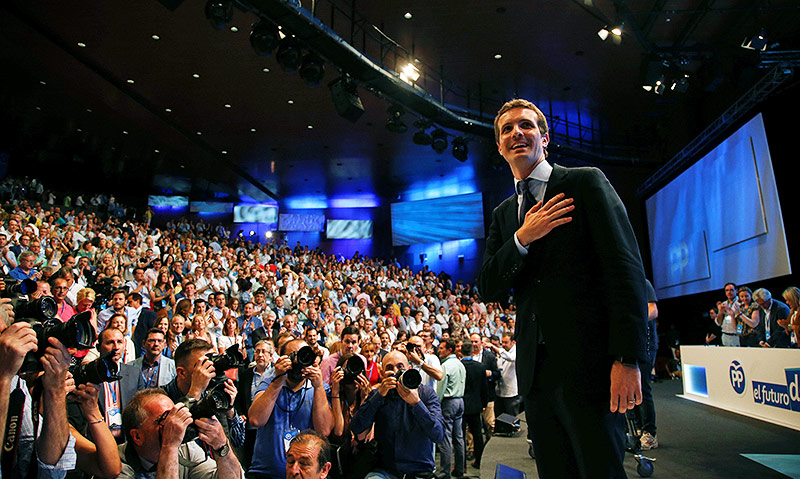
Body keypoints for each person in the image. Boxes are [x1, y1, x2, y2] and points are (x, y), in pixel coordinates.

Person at [477, 98, 648, 478]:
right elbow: (488, 287)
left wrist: (628, 358)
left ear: (545, 138)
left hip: (591, 366)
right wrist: (522, 238)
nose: (517, 133)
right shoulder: (504, 215)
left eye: (526, 125)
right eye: (507, 129)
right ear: (500, 147)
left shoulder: (584, 182)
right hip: (535, 376)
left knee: (600, 471)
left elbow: (625, 270)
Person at [0, 297, 77, 478]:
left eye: (5, 331)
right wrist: (3, 377)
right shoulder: (6, 373)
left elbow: (53, 470)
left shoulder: (16, 382)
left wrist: (55, 390)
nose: (8, 343)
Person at [350, 351, 444, 479]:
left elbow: (438, 434)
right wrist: (379, 396)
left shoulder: (425, 393)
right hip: (386, 470)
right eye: (389, 368)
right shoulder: (378, 394)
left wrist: (417, 404)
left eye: (400, 367)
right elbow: (357, 427)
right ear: (382, 373)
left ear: (409, 369)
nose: (395, 372)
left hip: (419, 470)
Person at [247, 339, 334, 479]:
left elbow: (324, 431)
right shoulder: (270, 381)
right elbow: (256, 419)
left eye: (303, 355)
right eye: (293, 356)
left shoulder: (318, 387)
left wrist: (318, 387)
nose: (298, 361)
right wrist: (278, 380)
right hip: (265, 473)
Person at [117, 388, 243, 479]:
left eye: (176, 414)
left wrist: (221, 445)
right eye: (166, 418)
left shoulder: (185, 449)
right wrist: (169, 447)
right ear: (137, 436)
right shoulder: (117, 466)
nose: (176, 423)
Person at [235, 339, 275, 469]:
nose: (260, 355)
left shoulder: (277, 374)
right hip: (251, 426)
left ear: (271, 355)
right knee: (251, 461)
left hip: (271, 425)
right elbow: (239, 399)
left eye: (264, 352)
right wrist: (241, 413)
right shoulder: (246, 375)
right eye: (257, 352)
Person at [118, 328, 177, 407]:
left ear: (164, 344)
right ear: (144, 343)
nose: (156, 344)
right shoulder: (130, 366)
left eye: (160, 341)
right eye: (152, 341)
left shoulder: (173, 366)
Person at [436, 338, 466, 479]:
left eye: (442, 348)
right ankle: (460, 469)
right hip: (460, 401)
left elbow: (441, 389)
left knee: (446, 437)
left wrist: (436, 404)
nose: (439, 350)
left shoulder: (446, 366)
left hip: (449, 402)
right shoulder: (460, 364)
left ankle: (445, 472)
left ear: (449, 350)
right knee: (459, 437)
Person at [460, 340, 488, 469]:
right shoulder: (480, 366)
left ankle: (461, 465)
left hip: (461, 404)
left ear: (461, 352)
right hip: (476, 405)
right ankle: (479, 461)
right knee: (477, 434)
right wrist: (484, 403)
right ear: (472, 352)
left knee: (460, 436)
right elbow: (484, 387)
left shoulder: (459, 366)